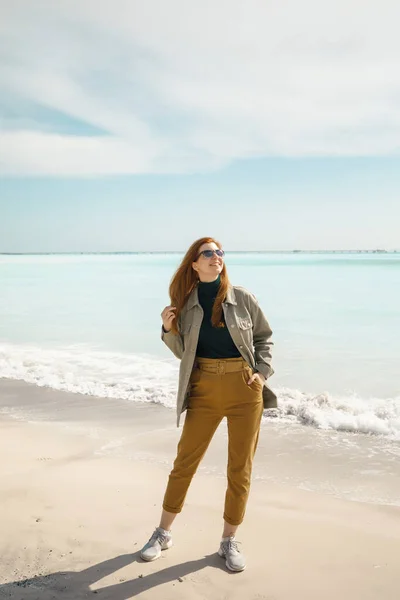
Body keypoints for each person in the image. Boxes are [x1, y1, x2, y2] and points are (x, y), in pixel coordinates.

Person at [140, 237, 276, 572]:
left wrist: (261, 373)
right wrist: (167, 329)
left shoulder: (242, 297)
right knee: (184, 462)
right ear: (194, 264)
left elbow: (264, 338)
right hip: (202, 388)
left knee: (239, 468)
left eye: (219, 252)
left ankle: (229, 541)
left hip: (245, 389)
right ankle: (163, 533)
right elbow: (182, 351)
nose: (216, 257)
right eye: (208, 253)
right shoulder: (184, 303)